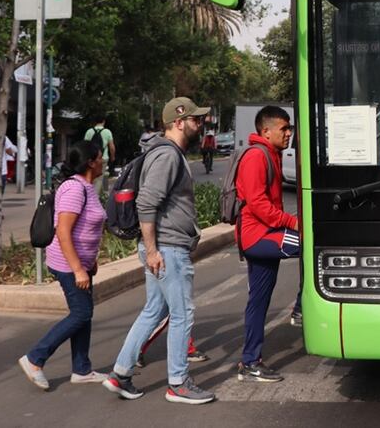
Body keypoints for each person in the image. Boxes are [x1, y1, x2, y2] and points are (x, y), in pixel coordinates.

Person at [103, 96, 215, 405]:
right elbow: (147, 203)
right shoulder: (167, 156)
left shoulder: (167, 153)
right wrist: (152, 251)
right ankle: (178, 383)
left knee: (155, 309)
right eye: (195, 120)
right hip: (167, 249)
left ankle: (120, 373)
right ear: (178, 122)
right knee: (182, 313)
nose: (200, 124)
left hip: (163, 247)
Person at [17, 141, 108, 390]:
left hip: (82, 262)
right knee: (81, 313)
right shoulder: (74, 188)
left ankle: (82, 369)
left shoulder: (88, 187)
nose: (104, 160)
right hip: (68, 264)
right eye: (100, 157)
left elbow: (87, 227)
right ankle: (35, 358)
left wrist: (91, 260)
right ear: (91, 161)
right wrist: (78, 268)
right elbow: (64, 232)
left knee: (84, 315)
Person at [235, 106, 300, 383]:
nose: (289, 134)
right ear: (266, 131)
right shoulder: (256, 157)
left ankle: (250, 362)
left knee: (258, 301)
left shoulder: (270, 154)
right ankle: (301, 309)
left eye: (289, 129)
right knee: (313, 244)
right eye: (284, 129)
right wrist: (293, 223)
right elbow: (259, 204)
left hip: (266, 233)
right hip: (258, 236)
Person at [84, 114, 115, 192]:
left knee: (90, 177)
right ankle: (96, 197)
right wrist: (112, 157)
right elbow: (111, 147)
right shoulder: (107, 132)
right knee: (99, 179)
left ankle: (89, 194)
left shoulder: (89, 131)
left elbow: (84, 145)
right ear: (104, 121)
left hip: (91, 159)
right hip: (103, 158)